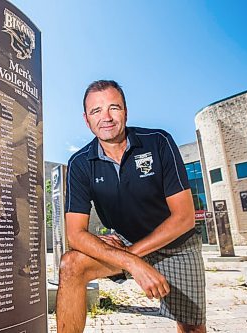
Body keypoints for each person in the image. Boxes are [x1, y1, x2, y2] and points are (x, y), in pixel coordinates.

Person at [56, 80, 206, 333]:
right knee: (71, 264)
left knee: (191, 327)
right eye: (96, 111)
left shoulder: (158, 141)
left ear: (126, 111)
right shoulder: (80, 163)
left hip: (177, 244)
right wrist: (133, 262)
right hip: (125, 244)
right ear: (86, 119)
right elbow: (75, 234)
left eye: (114, 107)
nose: (106, 117)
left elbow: (184, 218)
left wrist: (131, 257)